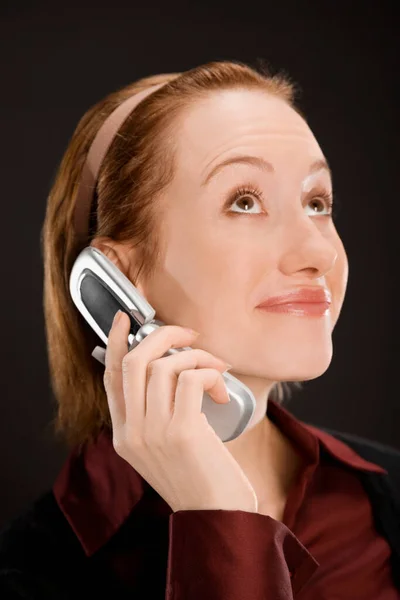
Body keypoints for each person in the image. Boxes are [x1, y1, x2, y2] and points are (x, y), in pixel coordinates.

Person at [1, 59, 399, 599]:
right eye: (244, 202)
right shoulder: (33, 572)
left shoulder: (387, 495)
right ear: (116, 280)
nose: (319, 251)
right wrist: (220, 523)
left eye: (316, 202)